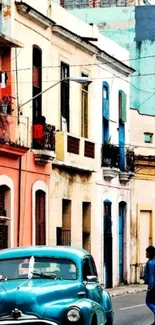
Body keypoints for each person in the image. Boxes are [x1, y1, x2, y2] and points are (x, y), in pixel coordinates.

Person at [143, 246, 155, 325]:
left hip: (153, 286)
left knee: (149, 302)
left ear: (150, 253)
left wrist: (150, 287)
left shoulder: (150, 263)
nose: (146, 254)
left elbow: (151, 276)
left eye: (147, 252)